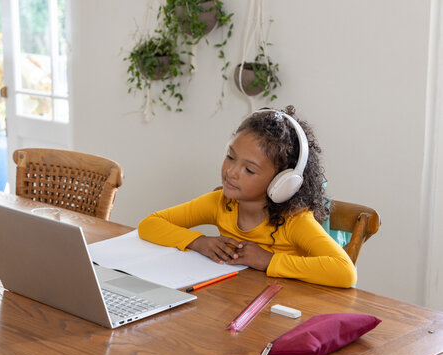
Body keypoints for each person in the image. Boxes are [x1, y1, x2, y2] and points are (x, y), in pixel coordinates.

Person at [138, 106, 357, 288]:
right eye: (230, 157)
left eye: (249, 170)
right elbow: (150, 224)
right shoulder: (220, 204)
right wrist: (198, 241)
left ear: (282, 183)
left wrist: (269, 260)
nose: (231, 172)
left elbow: (345, 273)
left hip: (281, 309)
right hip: (237, 298)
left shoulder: (295, 221)